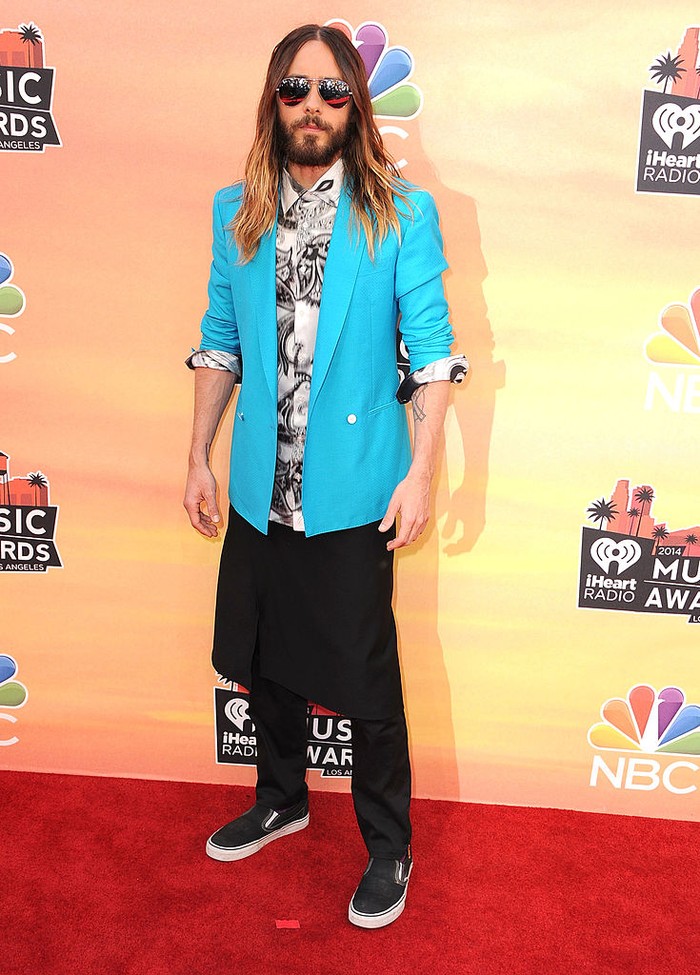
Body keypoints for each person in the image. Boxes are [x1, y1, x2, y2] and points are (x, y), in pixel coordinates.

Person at [184, 23, 467, 929]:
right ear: (274, 100)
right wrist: (198, 452)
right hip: (260, 487)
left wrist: (420, 472)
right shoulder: (239, 210)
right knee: (263, 659)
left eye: (332, 91)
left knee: (368, 684)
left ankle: (390, 844)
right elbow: (220, 342)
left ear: (356, 103)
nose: (313, 106)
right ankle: (283, 798)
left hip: (350, 489)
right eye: (296, 90)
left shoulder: (400, 214)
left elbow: (430, 356)